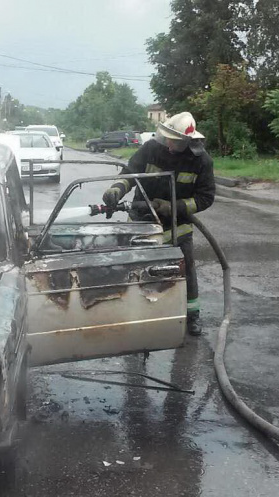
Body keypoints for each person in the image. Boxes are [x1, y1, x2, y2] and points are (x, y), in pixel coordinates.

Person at [102, 112, 215, 336]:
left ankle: (191, 316)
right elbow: (130, 173)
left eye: (175, 141)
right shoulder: (151, 149)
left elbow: (205, 197)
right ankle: (130, 310)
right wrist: (117, 189)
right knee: (131, 267)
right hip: (141, 221)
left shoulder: (201, 161)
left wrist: (174, 207)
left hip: (177, 225)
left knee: (186, 269)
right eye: (168, 138)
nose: (169, 144)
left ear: (187, 142)